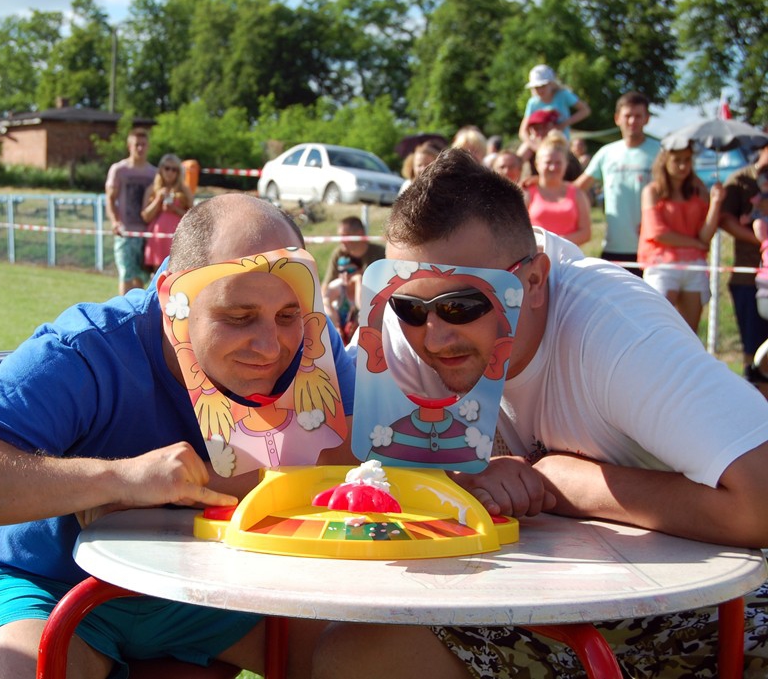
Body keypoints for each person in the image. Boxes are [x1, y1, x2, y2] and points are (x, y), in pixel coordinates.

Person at [312, 149, 768, 679]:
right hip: (532, 597)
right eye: (410, 307)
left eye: (464, 304)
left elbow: (762, 499)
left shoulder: (615, 331)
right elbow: (365, 461)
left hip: (699, 602)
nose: (432, 335)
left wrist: (570, 482)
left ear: (532, 282)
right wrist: (467, 474)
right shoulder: (409, 319)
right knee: (348, 658)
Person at [0, 193, 356, 679]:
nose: (270, 345)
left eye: (288, 315)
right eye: (238, 316)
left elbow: (348, 468)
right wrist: (118, 479)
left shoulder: (309, 339)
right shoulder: (89, 347)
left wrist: (184, 488)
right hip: (36, 581)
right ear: (174, 299)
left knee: (370, 653)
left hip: (205, 586)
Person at [638, 144, 723, 332]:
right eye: (677, 160)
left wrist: (715, 203)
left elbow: (705, 235)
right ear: (665, 161)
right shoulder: (652, 191)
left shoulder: (698, 191)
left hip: (694, 266)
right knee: (658, 328)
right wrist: (695, 243)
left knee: (689, 332)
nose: (683, 166)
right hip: (662, 265)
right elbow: (658, 233)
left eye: (687, 160)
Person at [574, 91, 661, 274]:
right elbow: (576, 189)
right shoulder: (607, 153)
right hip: (615, 247)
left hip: (653, 246)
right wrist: (541, 185)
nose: (632, 121)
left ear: (647, 119)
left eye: (638, 116)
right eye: (627, 116)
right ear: (617, 118)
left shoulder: (661, 152)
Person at [719, 143, 768, 392]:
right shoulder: (740, 179)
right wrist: (761, 240)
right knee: (753, 350)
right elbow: (724, 219)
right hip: (749, 277)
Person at [106, 127, 158, 295]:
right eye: (137, 145)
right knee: (126, 275)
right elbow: (110, 198)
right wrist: (115, 221)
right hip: (126, 233)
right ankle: (125, 317)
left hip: (147, 234)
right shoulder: (119, 170)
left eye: (143, 144)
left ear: (148, 146)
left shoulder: (154, 173)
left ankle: (140, 317)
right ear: (129, 146)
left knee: (143, 279)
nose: (140, 148)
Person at [524, 132, 591, 246]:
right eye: (548, 162)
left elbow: (586, 232)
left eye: (558, 163)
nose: (553, 167)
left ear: (566, 164)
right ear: (537, 164)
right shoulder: (527, 192)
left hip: (569, 259)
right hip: (535, 258)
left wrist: (555, 244)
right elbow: (518, 230)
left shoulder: (577, 193)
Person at [141, 153, 193, 271]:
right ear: (161, 170)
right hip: (158, 238)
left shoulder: (184, 190)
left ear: (178, 172)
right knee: (158, 275)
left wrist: (175, 209)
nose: (170, 172)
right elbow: (145, 216)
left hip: (178, 237)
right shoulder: (152, 189)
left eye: (174, 169)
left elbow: (192, 215)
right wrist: (158, 200)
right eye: (167, 168)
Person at [518, 64, 591, 144]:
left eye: (543, 86)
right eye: (536, 87)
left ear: (551, 84)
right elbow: (523, 132)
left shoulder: (563, 95)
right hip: (539, 141)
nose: (540, 90)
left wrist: (564, 124)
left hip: (560, 140)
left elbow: (585, 110)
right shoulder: (533, 102)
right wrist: (536, 147)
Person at [517, 109, 583, 183]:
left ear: (553, 127)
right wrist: (519, 159)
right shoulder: (529, 150)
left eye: (543, 127)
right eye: (534, 128)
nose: (538, 133)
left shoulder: (563, 153)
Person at [322, 216, 385, 291]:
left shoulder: (380, 254)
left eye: (344, 236)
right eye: (340, 236)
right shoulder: (339, 254)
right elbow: (326, 285)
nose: (341, 240)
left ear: (359, 234)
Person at [324, 254, 362, 344]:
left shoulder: (364, 286)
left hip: (358, 333)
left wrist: (358, 281)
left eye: (350, 270)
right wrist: (336, 325)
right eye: (341, 271)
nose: (345, 275)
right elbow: (325, 302)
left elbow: (361, 306)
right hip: (340, 333)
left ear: (360, 271)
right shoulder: (337, 286)